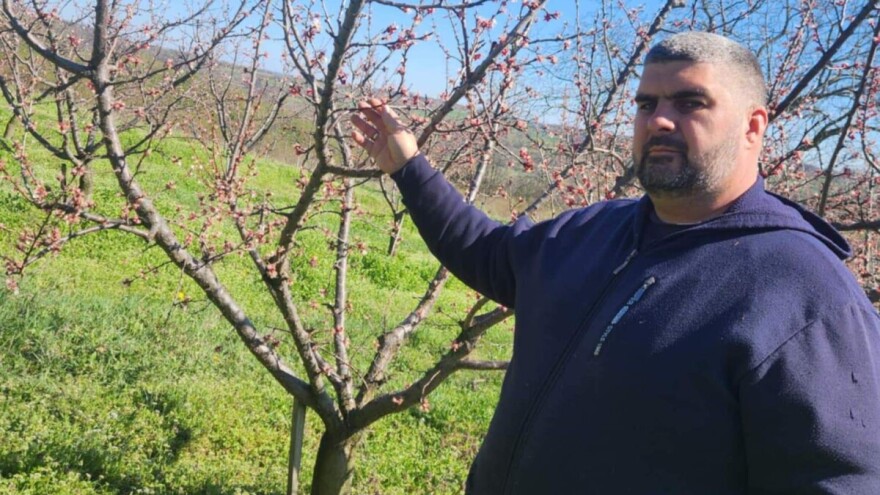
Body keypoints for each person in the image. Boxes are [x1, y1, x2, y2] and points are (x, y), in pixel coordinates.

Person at [352, 32, 880, 494]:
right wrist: (409, 168)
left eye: (690, 102)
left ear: (752, 127)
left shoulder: (807, 292)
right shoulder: (596, 229)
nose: (660, 120)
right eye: (647, 104)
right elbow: (489, 254)